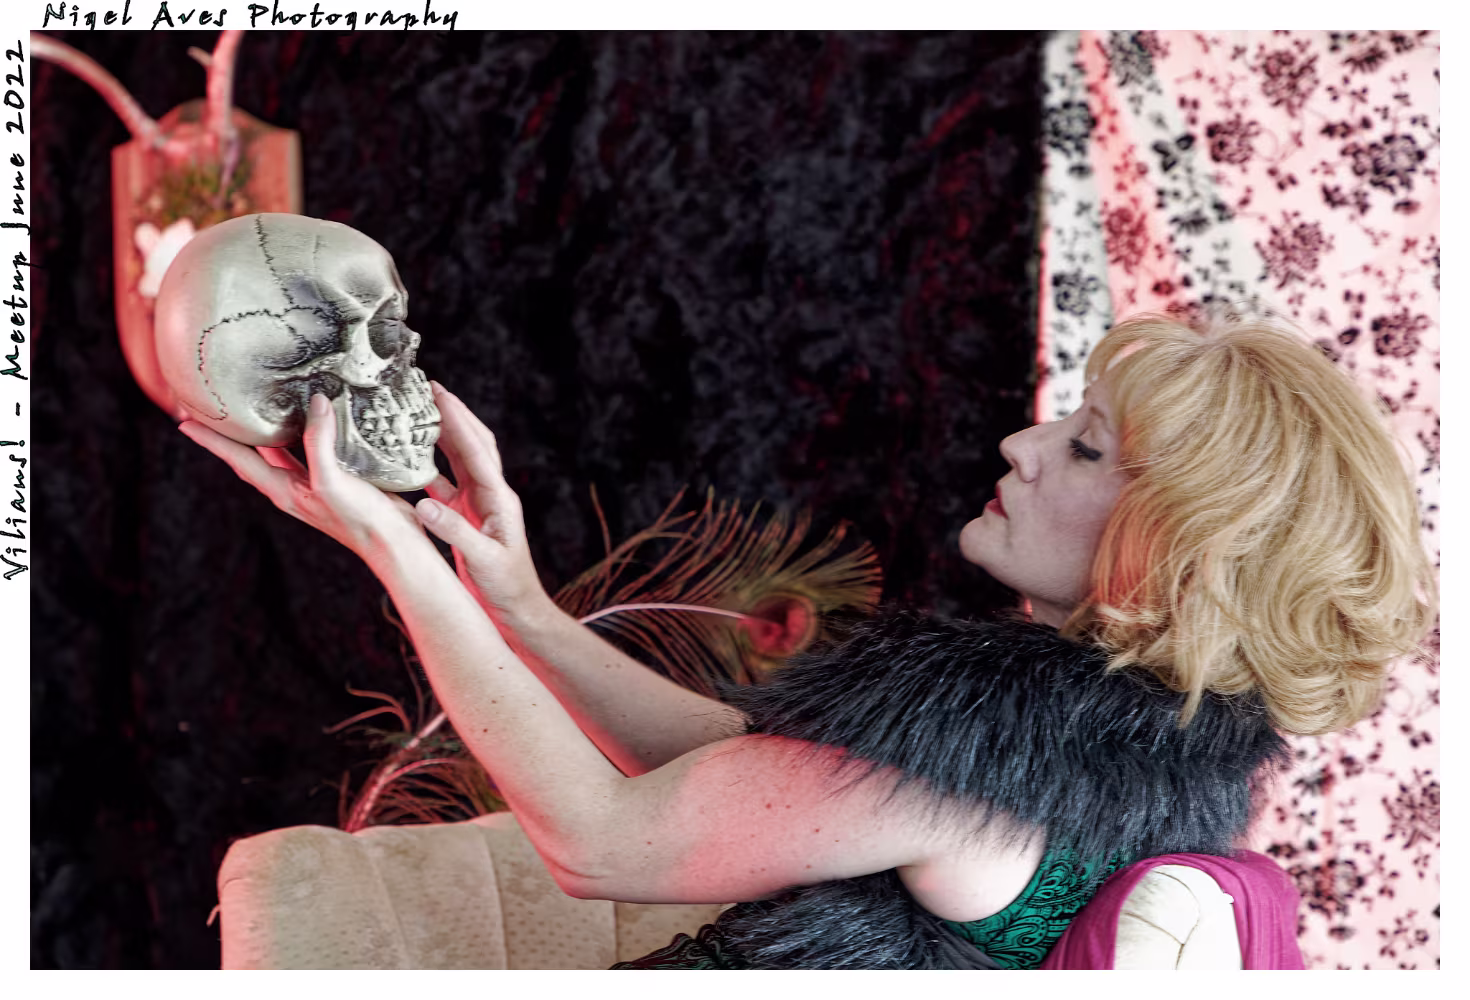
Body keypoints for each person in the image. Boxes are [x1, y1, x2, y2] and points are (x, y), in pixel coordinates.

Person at [179, 313, 1436, 968]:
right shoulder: (1127, 746)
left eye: (1086, 446)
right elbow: (758, 768)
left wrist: (389, 549)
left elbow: (599, 841)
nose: (1022, 444)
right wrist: (520, 605)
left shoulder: (1001, 747)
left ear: (1172, 548)